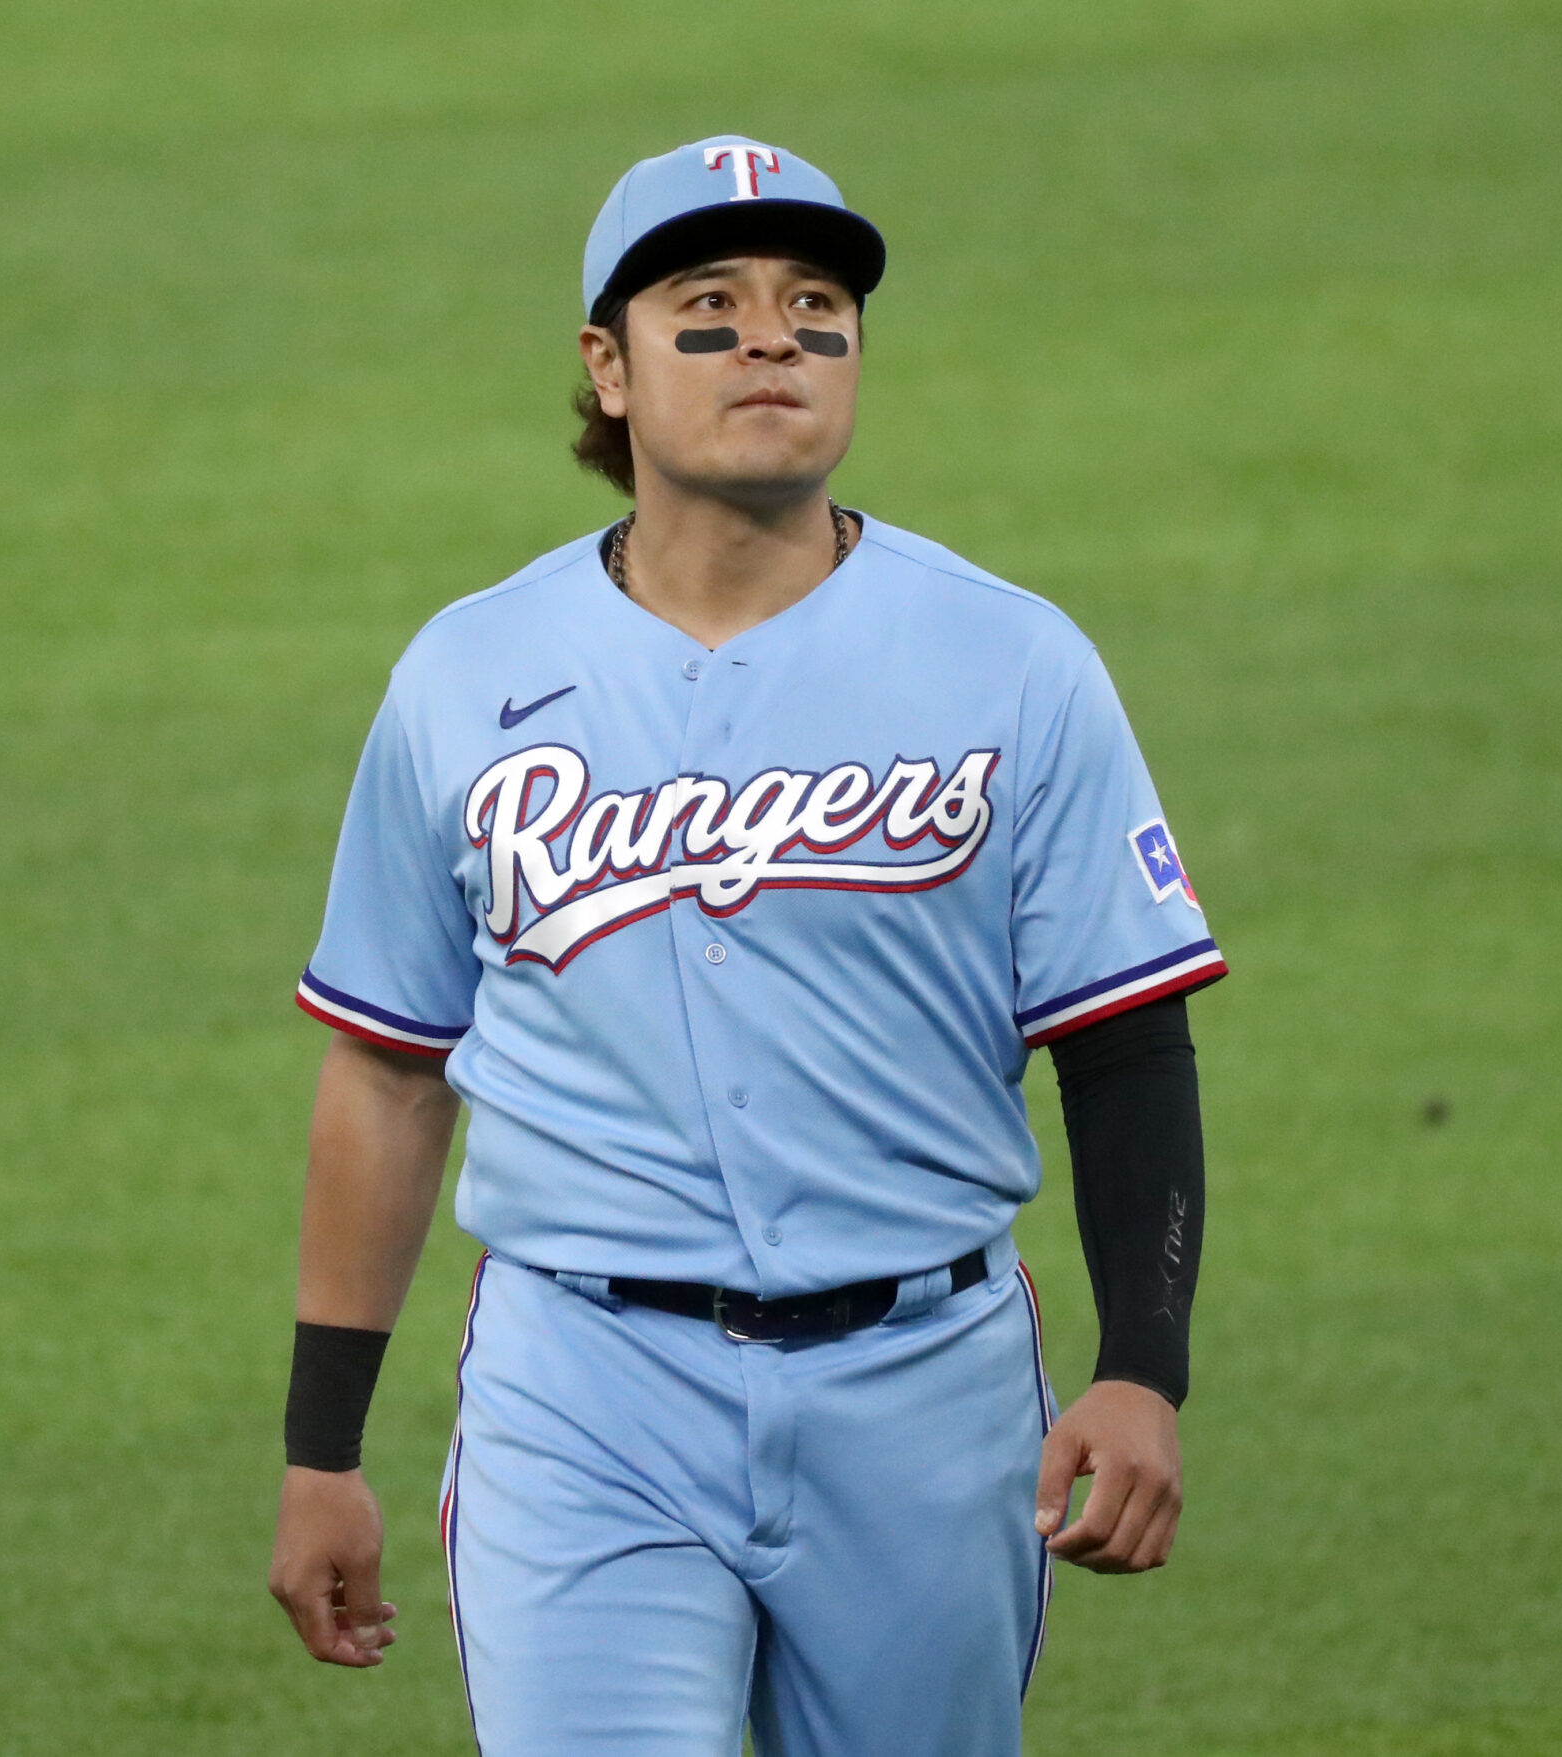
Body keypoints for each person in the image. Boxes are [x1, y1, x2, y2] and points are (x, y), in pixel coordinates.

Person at [267, 135, 1224, 1755]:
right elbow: (386, 1069)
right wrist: (320, 1444)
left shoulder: (1014, 663)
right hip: (587, 1391)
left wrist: (1145, 1366)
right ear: (610, 368)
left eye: (815, 304)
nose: (772, 336)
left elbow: (1124, 1038)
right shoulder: (465, 676)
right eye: (707, 304)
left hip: (925, 1388)